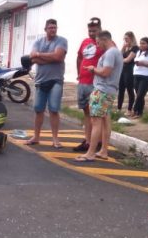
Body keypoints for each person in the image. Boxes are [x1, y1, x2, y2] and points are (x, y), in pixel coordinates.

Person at [76, 30, 123, 162]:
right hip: (109, 91)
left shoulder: (110, 53)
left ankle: (91, 152)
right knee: (105, 121)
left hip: (102, 90)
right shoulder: (115, 52)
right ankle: (103, 150)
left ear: (104, 40)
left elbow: (105, 72)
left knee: (95, 121)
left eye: (98, 43)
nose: (98, 46)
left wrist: (93, 69)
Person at [24, 19, 68, 148]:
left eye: (55, 27)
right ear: (45, 29)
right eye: (50, 28)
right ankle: (36, 136)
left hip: (56, 80)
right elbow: (33, 58)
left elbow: (58, 57)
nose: (53, 30)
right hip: (40, 81)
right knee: (38, 110)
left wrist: (39, 55)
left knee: (54, 109)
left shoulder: (62, 41)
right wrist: (49, 57)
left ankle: (55, 139)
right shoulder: (38, 42)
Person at [74, 17, 104, 152]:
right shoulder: (85, 42)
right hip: (83, 82)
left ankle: (97, 141)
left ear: (100, 30)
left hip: (96, 83)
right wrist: (78, 73)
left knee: (96, 115)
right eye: (90, 31)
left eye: (94, 31)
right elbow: (79, 57)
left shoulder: (104, 43)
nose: (91, 33)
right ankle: (87, 140)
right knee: (86, 112)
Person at [131, 37, 148, 118]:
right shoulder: (139, 52)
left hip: (147, 77)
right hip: (137, 75)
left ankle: (135, 110)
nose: (141, 45)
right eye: (140, 43)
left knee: (140, 95)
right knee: (139, 95)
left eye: (144, 43)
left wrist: (143, 63)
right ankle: (139, 112)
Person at [117, 31, 139, 116]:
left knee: (130, 90)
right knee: (121, 90)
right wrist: (123, 48)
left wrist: (120, 60)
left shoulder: (135, 48)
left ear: (131, 38)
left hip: (130, 71)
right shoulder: (125, 48)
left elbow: (128, 60)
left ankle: (129, 109)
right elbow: (118, 55)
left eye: (127, 39)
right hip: (123, 70)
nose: (125, 40)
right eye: (124, 39)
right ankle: (119, 108)